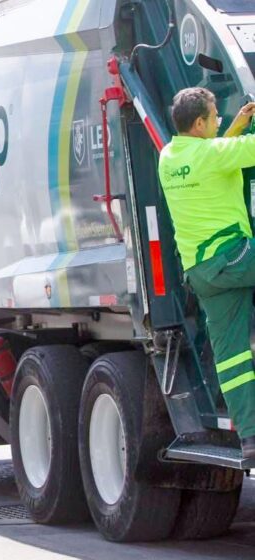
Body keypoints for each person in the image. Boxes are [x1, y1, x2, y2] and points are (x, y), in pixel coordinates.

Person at [158, 88, 255, 459]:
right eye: (215, 117)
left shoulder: (169, 157)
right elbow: (223, 156)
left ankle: (249, 439)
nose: (218, 122)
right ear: (199, 124)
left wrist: (234, 127)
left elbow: (211, 158)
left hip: (202, 273)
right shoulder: (214, 154)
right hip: (234, 259)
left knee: (231, 357)